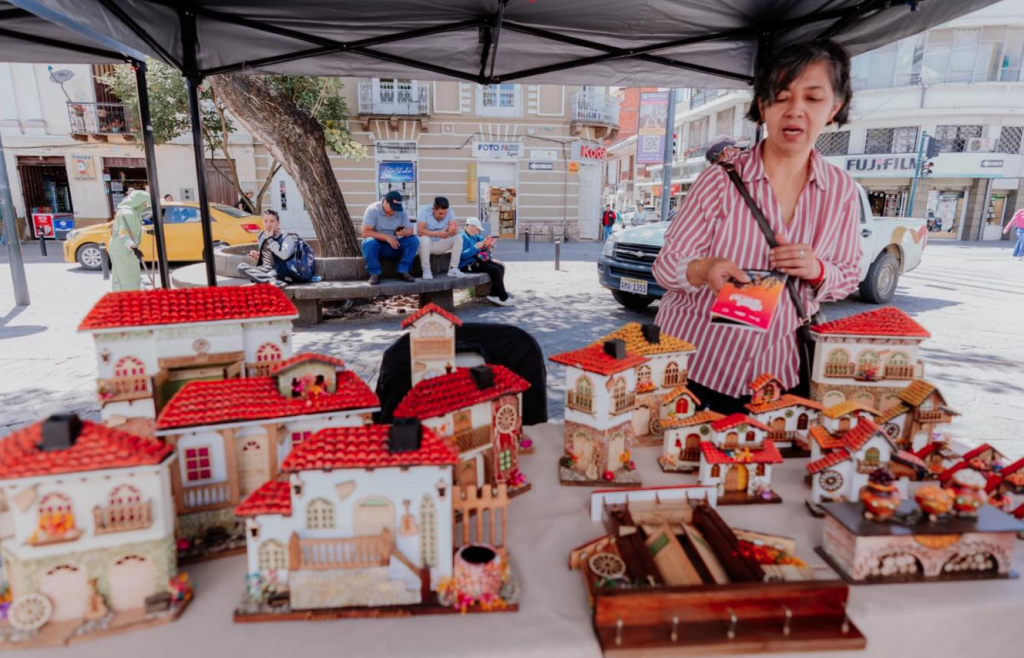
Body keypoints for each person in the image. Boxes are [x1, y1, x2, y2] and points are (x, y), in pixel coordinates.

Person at [652, 39, 862, 414]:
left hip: (777, 372)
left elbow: (848, 274)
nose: (795, 110)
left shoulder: (841, 190)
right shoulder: (720, 181)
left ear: (835, 108)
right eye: (781, 97)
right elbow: (666, 266)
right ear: (763, 106)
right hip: (695, 365)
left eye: (813, 99)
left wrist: (817, 270)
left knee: (762, 468)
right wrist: (705, 268)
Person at [361, 190, 419, 284]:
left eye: (396, 208)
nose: (394, 210)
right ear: (385, 202)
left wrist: (405, 232)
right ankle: (374, 273)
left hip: (395, 245)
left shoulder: (401, 211)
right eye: (392, 207)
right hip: (378, 246)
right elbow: (364, 232)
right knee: (368, 242)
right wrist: (386, 237)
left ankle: (403, 270)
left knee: (414, 241)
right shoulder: (373, 209)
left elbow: (410, 230)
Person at [459, 217, 511, 306]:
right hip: (467, 265)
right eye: (477, 228)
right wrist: (475, 247)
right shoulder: (462, 236)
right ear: (470, 226)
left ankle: (494, 294)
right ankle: (503, 297)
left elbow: (481, 239)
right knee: (495, 270)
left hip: (476, 261)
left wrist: (488, 243)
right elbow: (462, 256)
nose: (477, 231)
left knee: (500, 267)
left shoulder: (473, 235)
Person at [237, 209, 297, 288]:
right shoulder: (261, 235)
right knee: (241, 267)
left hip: (279, 270)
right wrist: (258, 254)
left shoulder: (287, 237)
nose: (268, 224)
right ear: (262, 222)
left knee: (263, 280)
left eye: (272, 221)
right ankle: (271, 281)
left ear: (278, 223)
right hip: (264, 268)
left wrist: (270, 239)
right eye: (265, 221)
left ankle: (267, 279)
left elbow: (284, 255)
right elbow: (268, 255)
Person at [417, 196, 467, 280]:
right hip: (427, 245)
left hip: (440, 242)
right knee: (424, 239)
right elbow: (419, 231)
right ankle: (426, 270)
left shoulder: (450, 210)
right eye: (440, 213)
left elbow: (455, 230)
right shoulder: (424, 211)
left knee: (459, 237)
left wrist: (453, 229)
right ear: (433, 209)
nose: (443, 216)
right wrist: (436, 234)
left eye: (445, 213)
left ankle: (453, 269)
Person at [109, 189, 150, 292]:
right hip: (123, 247)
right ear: (138, 201)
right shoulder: (128, 213)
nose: (146, 205)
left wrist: (144, 230)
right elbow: (124, 233)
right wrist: (133, 247)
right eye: (145, 202)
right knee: (128, 273)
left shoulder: (132, 211)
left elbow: (131, 227)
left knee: (121, 273)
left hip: (121, 246)